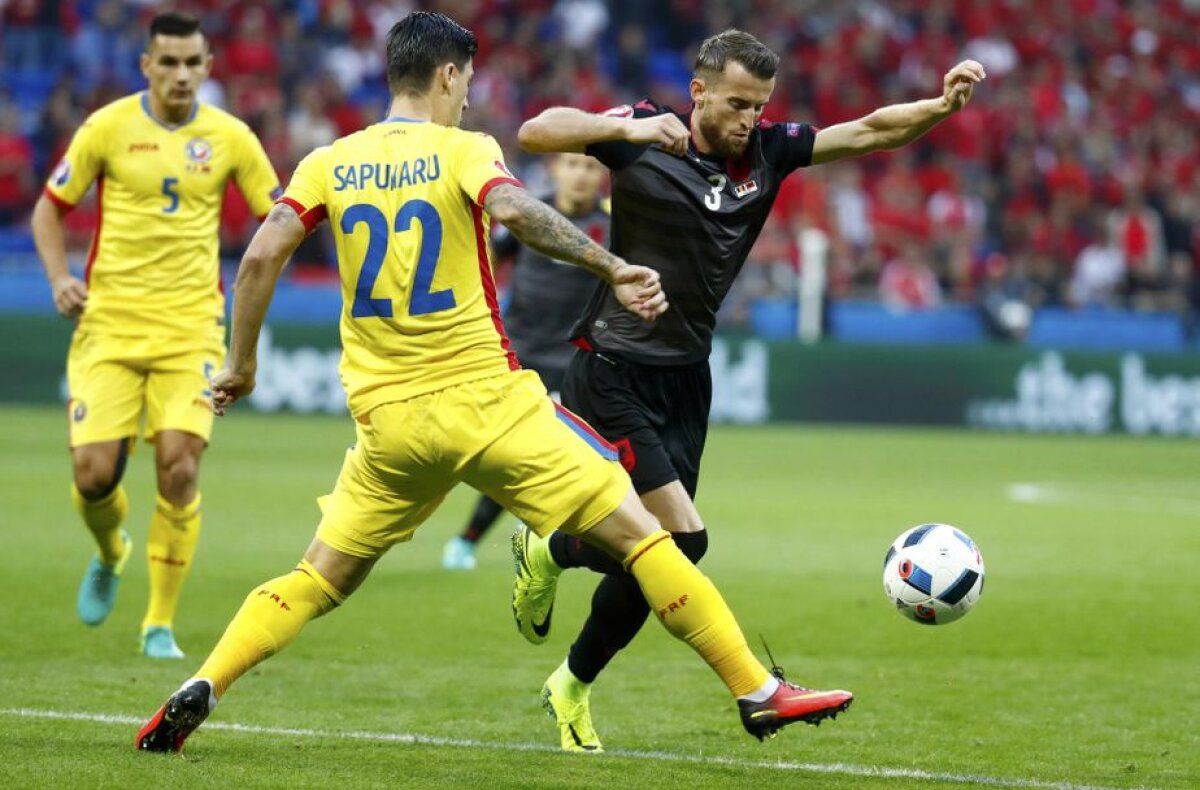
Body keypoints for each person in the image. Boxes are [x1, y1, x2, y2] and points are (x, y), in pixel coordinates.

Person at [135, 11, 852, 755]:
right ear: (448, 76)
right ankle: (755, 690)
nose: (471, 98)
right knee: (653, 536)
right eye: (468, 82)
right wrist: (610, 266)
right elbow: (513, 207)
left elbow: (257, 259)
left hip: (388, 427)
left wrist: (240, 365)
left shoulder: (328, 161)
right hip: (487, 404)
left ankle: (207, 682)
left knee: (316, 578)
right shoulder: (464, 149)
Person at [511, 28, 984, 752]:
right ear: (698, 91)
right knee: (682, 540)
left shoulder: (770, 151)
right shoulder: (644, 134)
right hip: (610, 365)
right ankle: (574, 618)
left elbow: (869, 131)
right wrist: (629, 125)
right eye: (735, 103)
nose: (747, 120)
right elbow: (538, 130)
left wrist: (940, 108)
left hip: (685, 377)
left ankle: (563, 633)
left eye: (758, 106)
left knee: (674, 551)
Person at [30, 11, 281, 660]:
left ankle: (158, 623)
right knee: (91, 476)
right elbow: (48, 210)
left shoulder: (231, 137)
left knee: (179, 466)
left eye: (191, 62)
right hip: (108, 326)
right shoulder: (107, 128)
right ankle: (111, 550)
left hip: (192, 329)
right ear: (146, 66)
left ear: (207, 67)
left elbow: (279, 215)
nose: (179, 74)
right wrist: (60, 278)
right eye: (166, 62)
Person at [443, 152, 611, 571]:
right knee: (504, 454)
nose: (580, 175)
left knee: (554, 457)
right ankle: (475, 541)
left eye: (590, 167)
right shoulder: (527, 215)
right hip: (515, 353)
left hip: (574, 360)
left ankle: (519, 544)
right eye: (572, 165)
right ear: (556, 169)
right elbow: (484, 257)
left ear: (603, 176)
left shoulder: (614, 227)